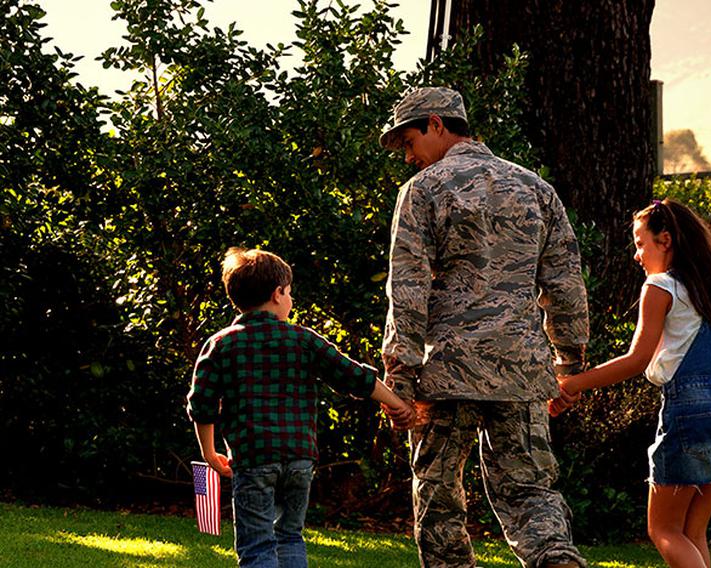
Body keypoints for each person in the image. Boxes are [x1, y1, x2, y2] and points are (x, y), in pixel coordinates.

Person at [378, 86, 590, 568]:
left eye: (410, 142)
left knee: (438, 494)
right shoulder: (536, 188)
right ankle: (556, 559)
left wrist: (400, 378)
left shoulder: (423, 192)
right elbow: (564, 283)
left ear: (436, 123)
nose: (409, 157)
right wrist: (569, 362)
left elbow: (407, 292)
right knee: (530, 491)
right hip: (521, 370)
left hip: (447, 372)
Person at [550, 198, 711, 568]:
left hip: (693, 413)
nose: (636, 255)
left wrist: (572, 383)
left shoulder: (661, 286)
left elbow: (636, 360)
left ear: (666, 240)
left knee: (664, 530)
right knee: (692, 533)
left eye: (640, 243)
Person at [186, 247, 414, 568]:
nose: (291, 299)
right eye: (290, 293)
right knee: (290, 536)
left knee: (257, 545)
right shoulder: (303, 340)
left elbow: (202, 403)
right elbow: (353, 376)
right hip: (299, 459)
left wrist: (209, 453)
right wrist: (397, 404)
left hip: (252, 459)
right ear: (278, 294)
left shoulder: (221, 344)